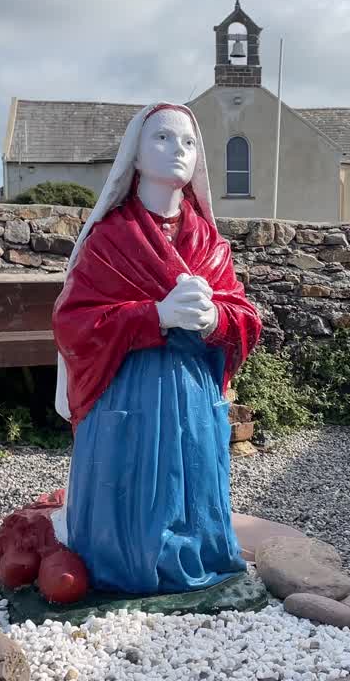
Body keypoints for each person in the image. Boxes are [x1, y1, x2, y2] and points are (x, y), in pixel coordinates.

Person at [49, 102, 262, 595]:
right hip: (128, 392)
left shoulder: (209, 243)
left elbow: (245, 316)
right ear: (136, 155)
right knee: (133, 482)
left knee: (192, 479)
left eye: (188, 142)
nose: (177, 150)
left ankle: (197, 553)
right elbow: (73, 322)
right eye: (162, 138)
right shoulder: (110, 239)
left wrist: (215, 319)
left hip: (193, 394)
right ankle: (123, 561)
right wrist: (155, 316)